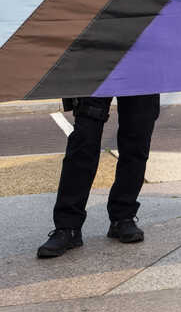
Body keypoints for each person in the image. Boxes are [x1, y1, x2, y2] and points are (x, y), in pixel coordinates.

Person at [36, 94, 161, 258]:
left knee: (137, 137)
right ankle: (68, 226)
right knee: (84, 140)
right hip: (96, 70)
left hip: (141, 70)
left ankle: (123, 216)